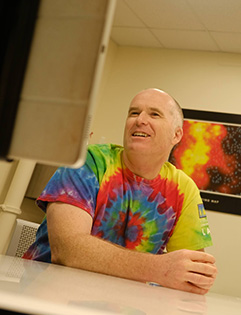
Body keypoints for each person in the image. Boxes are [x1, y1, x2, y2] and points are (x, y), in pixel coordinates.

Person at [23, 88, 217, 295]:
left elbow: (193, 278)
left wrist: (191, 274)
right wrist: (160, 268)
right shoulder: (88, 162)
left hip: (122, 307)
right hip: (47, 298)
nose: (140, 120)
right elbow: (68, 250)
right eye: (134, 113)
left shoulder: (183, 189)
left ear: (177, 134)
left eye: (154, 114)